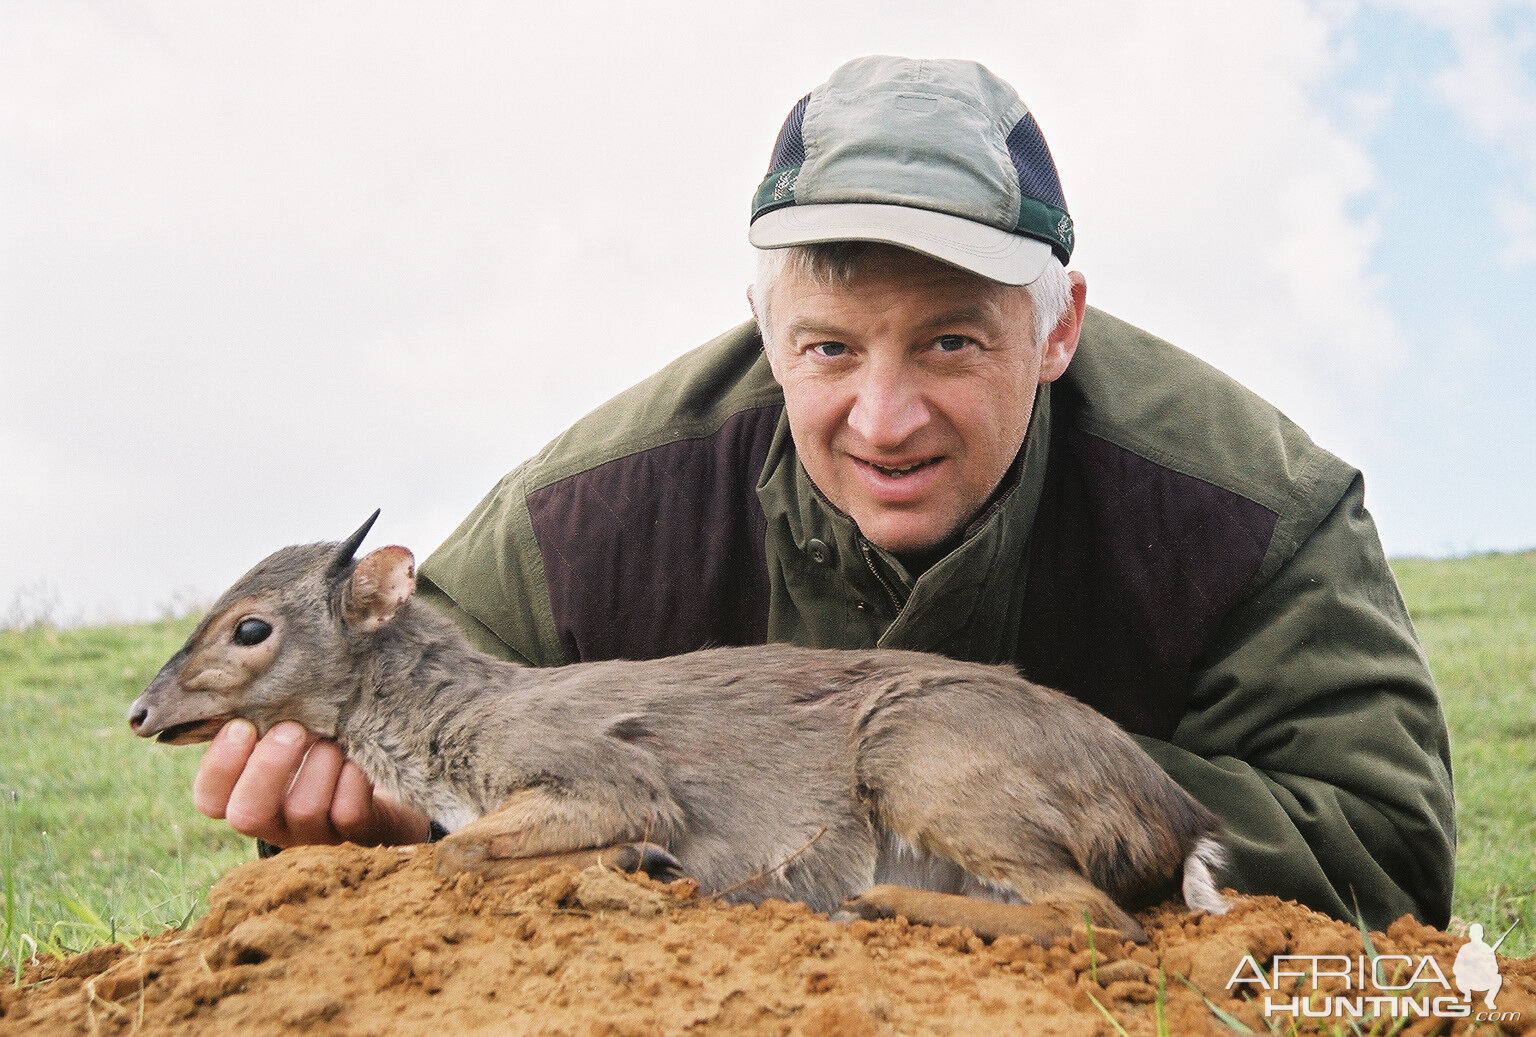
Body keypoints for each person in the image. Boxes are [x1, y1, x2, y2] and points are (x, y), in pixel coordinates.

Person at [192, 56, 1456, 930]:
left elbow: (1384, 846)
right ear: (761, 320)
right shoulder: (595, 514)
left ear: (1060, 325)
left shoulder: (1249, 507)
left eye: (953, 342)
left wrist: (1015, 766)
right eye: (830, 348)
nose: (886, 417)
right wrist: (340, 805)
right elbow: (381, 713)